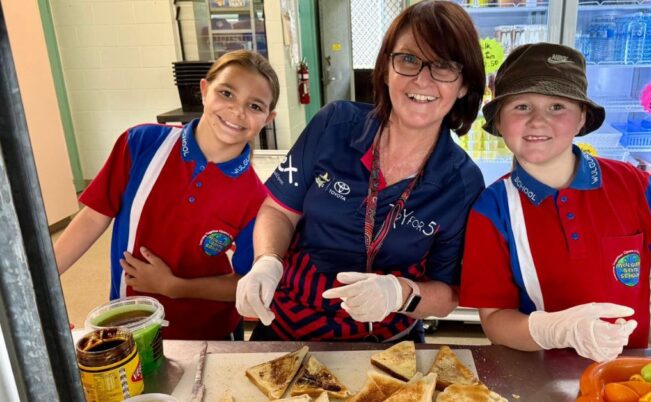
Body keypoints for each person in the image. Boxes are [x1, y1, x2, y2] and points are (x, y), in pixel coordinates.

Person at [459, 43, 651, 362]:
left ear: (582, 118)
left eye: (557, 106)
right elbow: (495, 320)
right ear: (499, 121)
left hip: (625, 374)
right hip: (536, 373)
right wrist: (555, 331)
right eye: (522, 106)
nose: (538, 121)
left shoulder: (635, 187)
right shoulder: (493, 210)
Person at [235, 0, 486, 342]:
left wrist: (398, 293)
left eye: (443, 66)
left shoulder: (462, 182)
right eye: (408, 59)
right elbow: (279, 210)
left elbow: (448, 293)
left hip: (388, 346)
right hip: (288, 329)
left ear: (465, 84)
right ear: (385, 68)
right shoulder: (334, 124)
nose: (421, 79)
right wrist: (267, 261)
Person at [54, 50, 279, 340]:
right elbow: (93, 218)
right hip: (131, 322)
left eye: (255, 106)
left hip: (210, 335)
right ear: (204, 90)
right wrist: (39, 278)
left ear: (268, 118)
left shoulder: (257, 199)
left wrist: (174, 286)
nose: (237, 111)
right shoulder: (141, 143)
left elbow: (245, 281)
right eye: (226, 93)